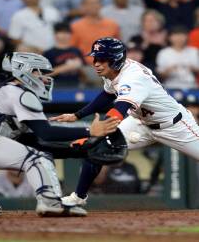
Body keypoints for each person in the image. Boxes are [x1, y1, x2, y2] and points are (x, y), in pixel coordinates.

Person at [0, 51, 120, 217]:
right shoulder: (19, 92)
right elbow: (47, 133)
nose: (45, 78)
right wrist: (90, 131)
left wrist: (80, 149)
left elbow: (34, 140)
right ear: (24, 72)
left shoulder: (4, 93)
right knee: (37, 159)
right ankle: (50, 202)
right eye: (40, 72)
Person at [50, 37, 199, 208]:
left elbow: (120, 109)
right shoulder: (114, 71)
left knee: (98, 139)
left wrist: (99, 129)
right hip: (140, 123)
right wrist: (78, 115)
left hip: (175, 126)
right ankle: (78, 197)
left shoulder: (133, 77)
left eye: (102, 59)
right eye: (95, 58)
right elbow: (108, 94)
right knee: (97, 148)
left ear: (115, 60)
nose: (96, 63)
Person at [70, 0, 121, 65]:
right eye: (90, 3)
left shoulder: (113, 25)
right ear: (83, 6)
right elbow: (71, 51)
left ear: (101, 5)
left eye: (96, 2)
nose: (93, 5)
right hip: (86, 67)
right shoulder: (75, 27)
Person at [43, 22, 87, 88]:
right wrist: (66, 67)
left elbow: (85, 70)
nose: (64, 35)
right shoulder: (49, 53)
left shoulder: (76, 51)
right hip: (56, 86)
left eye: (67, 32)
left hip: (76, 85)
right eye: (61, 32)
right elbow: (43, 75)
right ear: (55, 34)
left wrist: (79, 67)